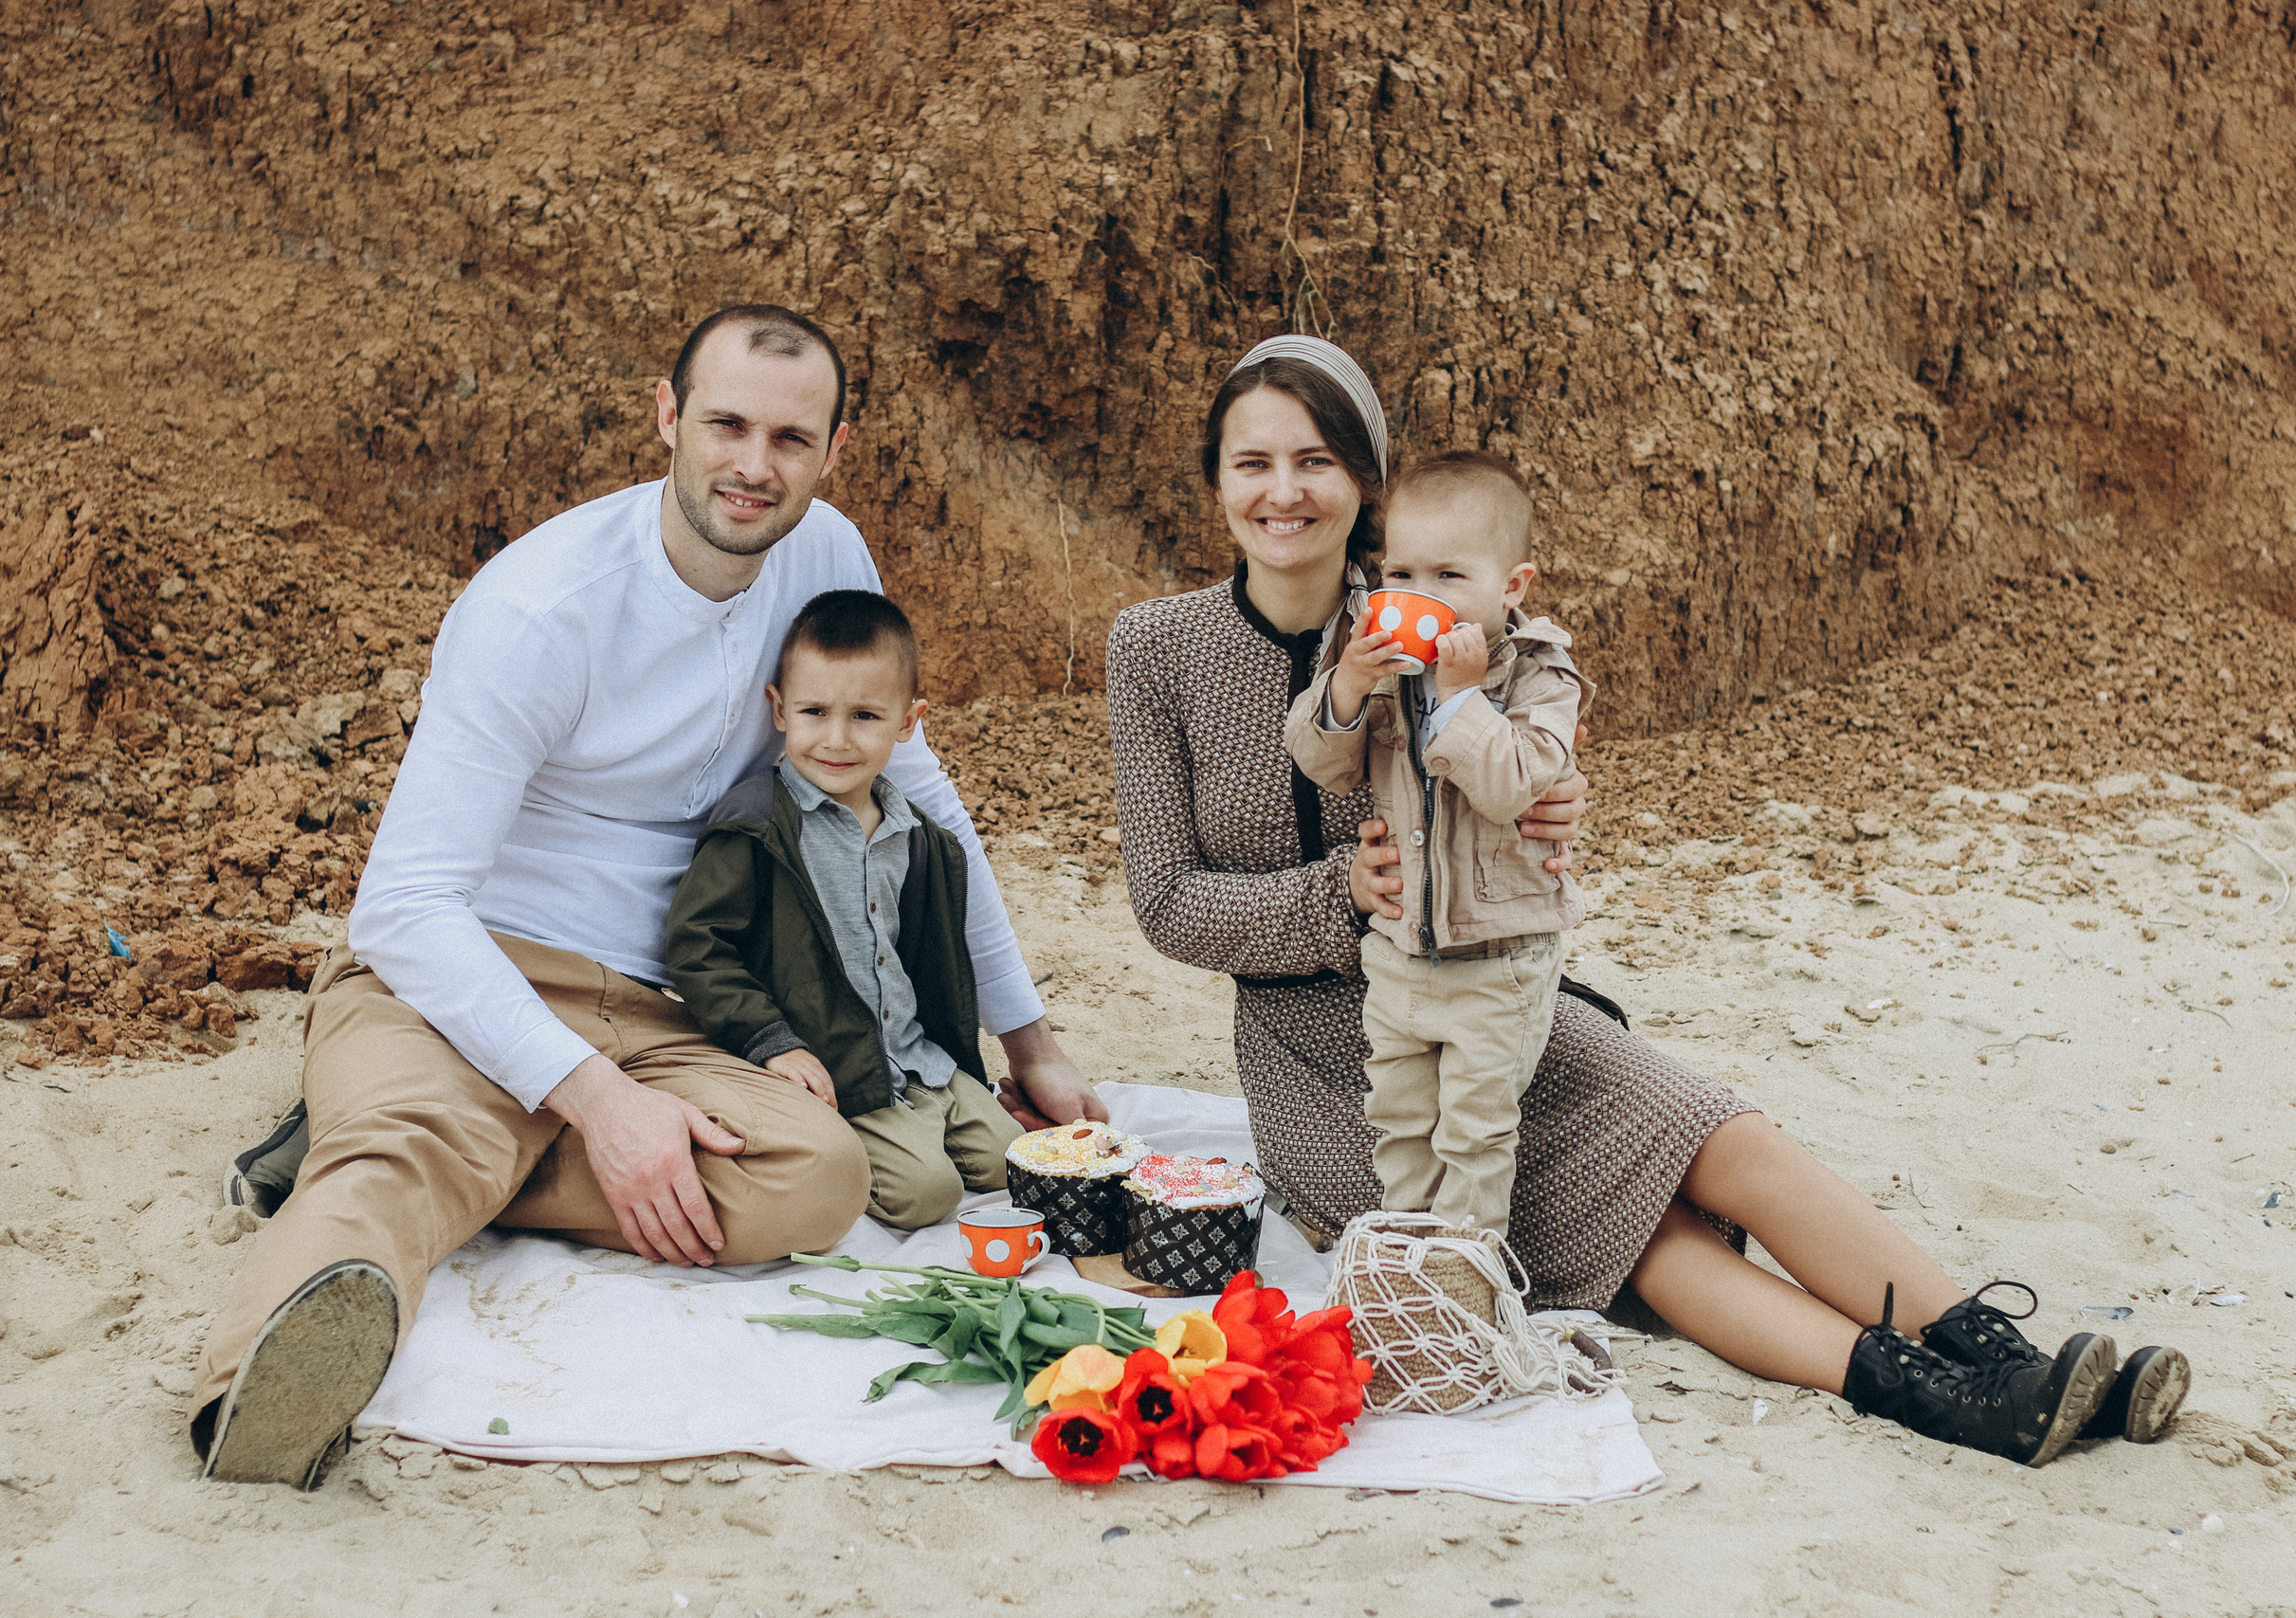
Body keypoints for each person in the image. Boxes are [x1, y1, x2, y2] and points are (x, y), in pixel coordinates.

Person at [1103, 332, 2192, 1465]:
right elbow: (1169, 903)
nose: (1284, 492)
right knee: (1646, 1236)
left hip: (1491, 991)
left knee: (1723, 1134)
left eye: (1317, 460)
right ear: (1216, 479)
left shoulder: (1450, 607)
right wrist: (1340, 891)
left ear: (1365, 485)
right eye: (1253, 463)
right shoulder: (1155, 647)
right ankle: (1941, 1399)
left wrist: (1552, 802)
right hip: (1333, 1062)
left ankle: (2007, 1356)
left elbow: (1530, 756)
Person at [188, 306, 1103, 1488]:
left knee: (819, 1176)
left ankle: (473, 1143)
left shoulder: (828, 558)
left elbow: (919, 798)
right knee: (402, 1160)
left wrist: (1026, 1036)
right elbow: (405, 907)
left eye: (789, 437)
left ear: (833, 450)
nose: (752, 465)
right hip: (475, 972)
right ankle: (250, 1399)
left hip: (682, 1003)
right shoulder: (539, 610)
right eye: (725, 424)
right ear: (668, 417)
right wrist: (600, 1107)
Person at [1285, 451, 1587, 1237]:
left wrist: (1461, 699)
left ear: (1511, 586)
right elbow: (1326, 765)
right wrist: (1346, 687)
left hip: (1497, 958)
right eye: (1402, 574)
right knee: (1401, 1117)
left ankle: (1460, 1278)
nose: (1418, 597)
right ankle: (1406, 1255)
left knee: (1476, 1130)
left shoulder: (1539, 676)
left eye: (1449, 576)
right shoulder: (1385, 668)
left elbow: (1514, 783)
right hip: (1399, 953)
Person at [664, 589, 1024, 1229]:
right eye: (813, 711)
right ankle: (867, 1147)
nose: (836, 739)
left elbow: (929, 962)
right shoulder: (759, 828)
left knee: (1012, 1164)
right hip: (839, 1068)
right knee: (927, 1195)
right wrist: (770, 1042)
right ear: (778, 709)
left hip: (918, 1057)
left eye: (864, 716)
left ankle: (929, 1117)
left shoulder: (918, 838)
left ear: (908, 722)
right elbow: (698, 945)